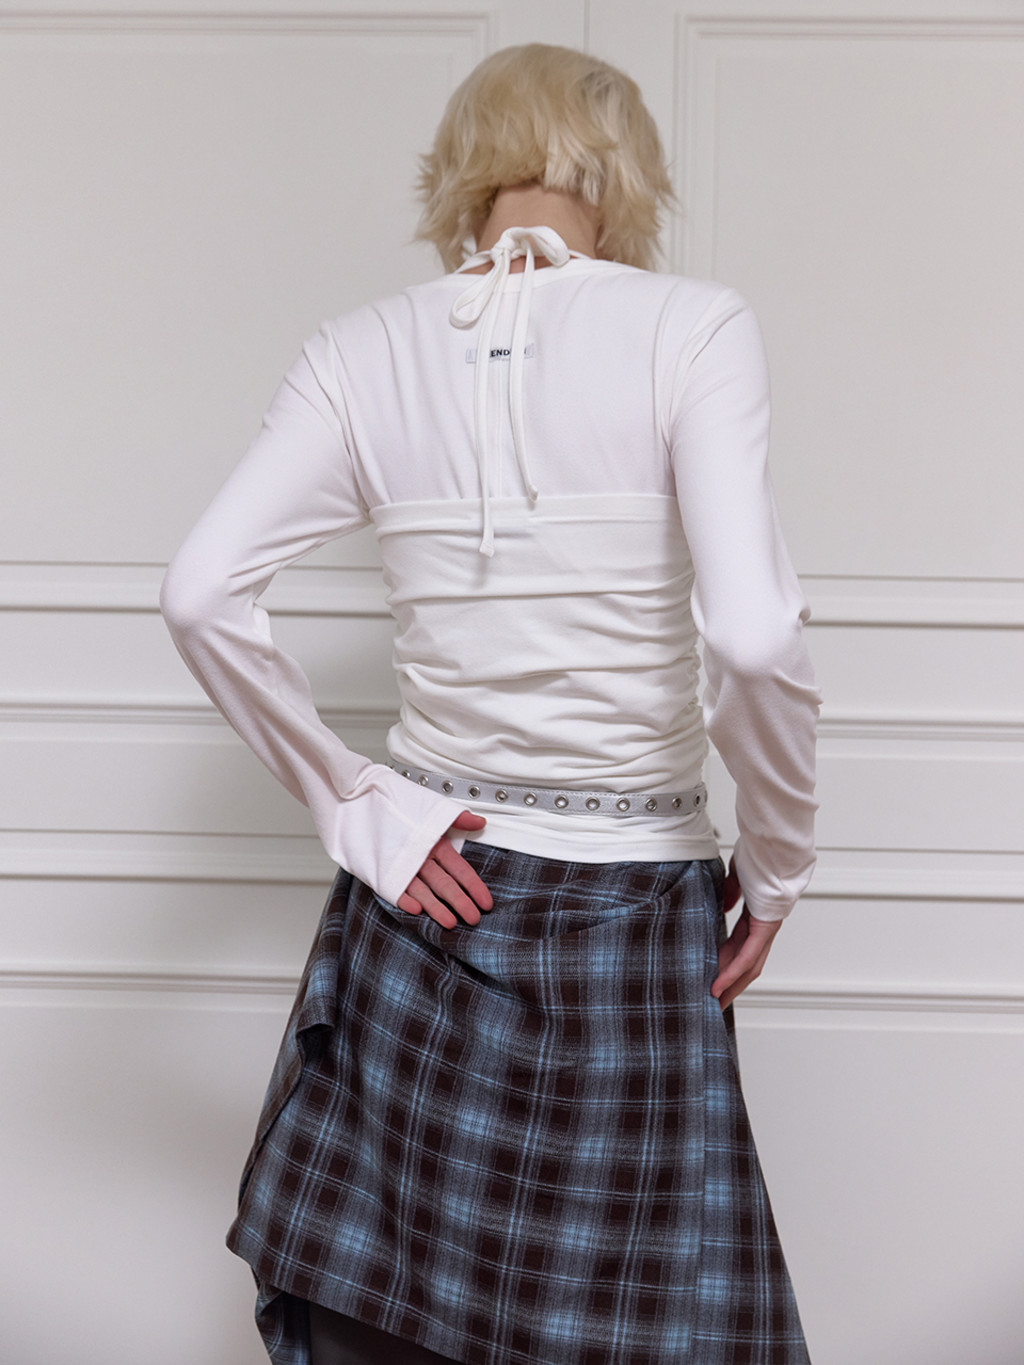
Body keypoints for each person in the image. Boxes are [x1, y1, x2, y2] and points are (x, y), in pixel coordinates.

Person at [160, 42, 820, 1365]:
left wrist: (359, 806)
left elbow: (199, 593)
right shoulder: (693, 326)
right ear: (629, 173)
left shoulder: (360, 349)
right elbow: (754, 638)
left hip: (431, 886)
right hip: (637, 907)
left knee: (396, 1333)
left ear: (460, 169)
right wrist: (778, 862)